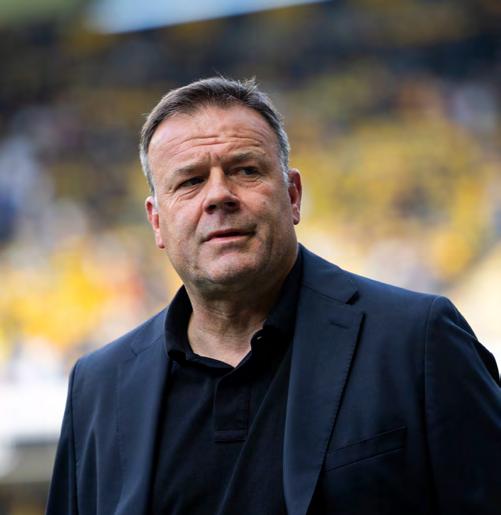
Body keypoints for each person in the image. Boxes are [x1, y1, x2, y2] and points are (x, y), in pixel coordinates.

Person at [46, 77, 501, 515]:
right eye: (190, 181)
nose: (218, 195)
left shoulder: (417, 342)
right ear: (157, 222)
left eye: (246, 170)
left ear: (293, 195)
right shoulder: (97, 388)